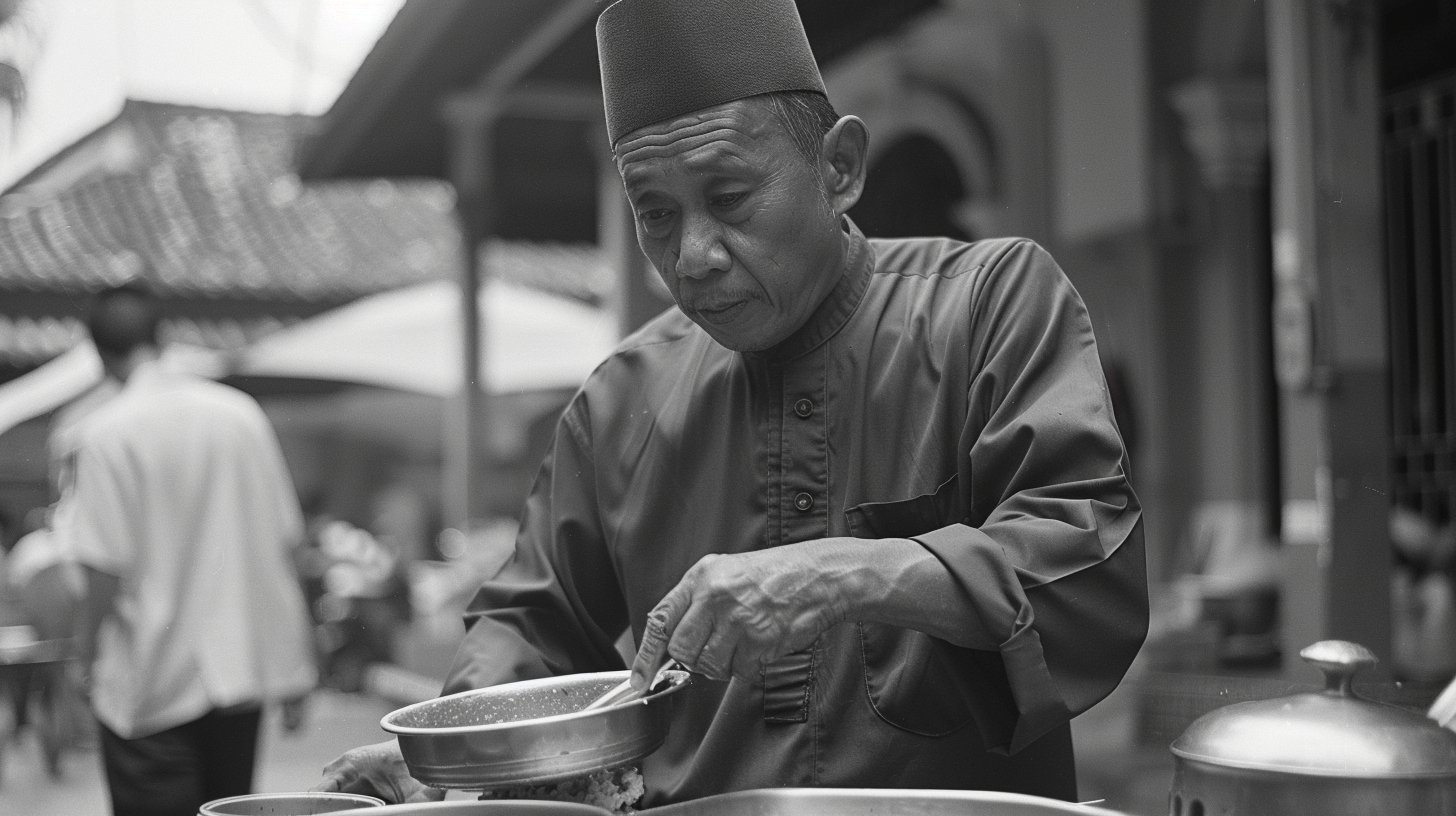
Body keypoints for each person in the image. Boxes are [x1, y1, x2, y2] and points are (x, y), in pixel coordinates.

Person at [317, 0, 1147, 806]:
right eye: (657, 215)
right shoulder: (623, 401)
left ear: (839, 168)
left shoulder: (987, 305)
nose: (695, 255)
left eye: (731, 197)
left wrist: (852, 572)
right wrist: (462, 747)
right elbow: (531, 623)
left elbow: (1085, 567)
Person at [65, 283, 317, 816]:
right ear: (164, 336)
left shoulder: (106, 435)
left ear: (98, 353)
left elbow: (103, 571)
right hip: (237, 679)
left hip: (150, 681)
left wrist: (82, 659)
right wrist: (298, 668)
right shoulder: (240, 415)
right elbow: (285, 548)